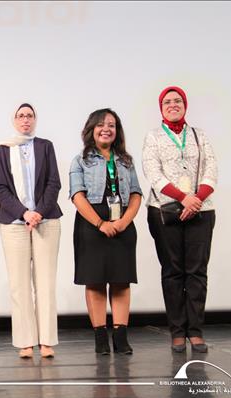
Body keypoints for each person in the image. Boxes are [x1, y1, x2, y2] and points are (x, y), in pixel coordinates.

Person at [142, 86, 217, 353]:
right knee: (173, 271)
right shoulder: (153, 137)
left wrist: (196, 200)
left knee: (197, 272)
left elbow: (211, 170)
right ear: (161, 108)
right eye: (167, 102)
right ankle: (177, 331)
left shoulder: (199, 135)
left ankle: (195, 331)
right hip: (165, 210)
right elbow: (153, 172)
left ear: (185, 105)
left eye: (178, 101)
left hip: (201, 210)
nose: (173, 105)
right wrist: (183, 198)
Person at [0, 103, 62, 359]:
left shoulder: (45, 146)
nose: (25, 120)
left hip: (46, 220)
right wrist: (24, 213)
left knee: (45, 284)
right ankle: (25, 341)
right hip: (14, 223)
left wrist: (38, 212)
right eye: (21, 116)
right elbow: (0, 188)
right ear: (14, 120)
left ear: (35, 119)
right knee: (19, 285)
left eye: (30, 116)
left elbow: (54, 183)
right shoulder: (1, 150)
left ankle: (46, 341)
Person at [69, 108, 142, 355]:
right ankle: (100, 337)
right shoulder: (80, 160)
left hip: (122, 223)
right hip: (91, 225)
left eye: (111, 125)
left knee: (121, 280)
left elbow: (136, 194)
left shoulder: (126, 160)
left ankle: (121, 337)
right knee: (95, 281)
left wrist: (124, 221)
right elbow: (77, 196)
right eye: (100, 124)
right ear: (91, 129)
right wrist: (101, 223)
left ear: (117, 131)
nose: (106, 129)